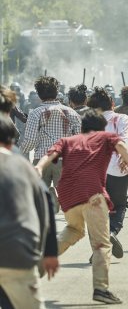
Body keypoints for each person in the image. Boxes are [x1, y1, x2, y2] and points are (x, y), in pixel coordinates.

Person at [35, 109, 128, 305]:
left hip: (68, 196)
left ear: (82, 127)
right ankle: (101, 289)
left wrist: (38, 168)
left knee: (73, 230)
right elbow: (122, 147)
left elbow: (51, 154)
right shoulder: (106, 137)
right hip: (92, 195)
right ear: (101, 127)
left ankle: (39, 264)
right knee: (102, 244)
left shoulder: (68, 140)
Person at [0, 114, 59, 309]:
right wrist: (49, 251)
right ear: (10, 143)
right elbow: (46, 206)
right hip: (17, 253)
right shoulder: (23, 166)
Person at [20, 76, 82, 213]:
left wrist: (20, 152)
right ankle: (59, 198)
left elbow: (30, 141)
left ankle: (47, 221)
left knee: (39, 199)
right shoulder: (71, 112)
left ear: (39, 93)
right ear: (57, 91)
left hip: (43, 159)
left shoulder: (35, 113)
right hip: (64, 159)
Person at [87, 87, 128, 259]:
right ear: (113, 104)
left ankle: (98, 249)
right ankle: (112, 232)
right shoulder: (122, 118)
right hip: (117, 169)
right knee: (119, 205)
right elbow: (123, 139)